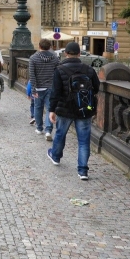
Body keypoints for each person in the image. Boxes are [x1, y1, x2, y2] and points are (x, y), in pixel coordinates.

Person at [48, 41, 100, 180]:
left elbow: (55, 92)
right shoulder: (89, 69)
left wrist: (52, 110)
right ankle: (83, 171)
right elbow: (96, 87)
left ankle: (56, 156)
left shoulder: (59, 69)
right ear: (79, 54)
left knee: (60, 134)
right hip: (84, 109)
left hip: (65, 108)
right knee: (83, 141)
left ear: (66, 53)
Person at [28, 38, 59, 141]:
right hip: (51, 87)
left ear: (39, 46)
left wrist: (33, 89)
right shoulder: (55, 58)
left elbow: (32, 75)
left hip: (38, 87)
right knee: (50, 108)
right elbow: (58, 73)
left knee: (38, 108)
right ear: (50, 47)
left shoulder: (33, 58)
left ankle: (39, 128)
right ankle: (48, 130)